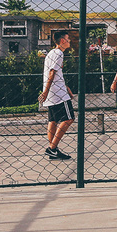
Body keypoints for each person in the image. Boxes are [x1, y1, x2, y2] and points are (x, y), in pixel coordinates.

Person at [39, 31, 74, 160]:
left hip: (54, 91)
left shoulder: (51, 53)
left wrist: (65, 87)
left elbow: (56, 74)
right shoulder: (59, 53)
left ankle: (53, 150)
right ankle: (52, 148)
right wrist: (46, 91)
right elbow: (52, 73)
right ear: (62, 41)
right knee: (69, 118)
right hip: (58, 94)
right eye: (68, 39)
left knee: (53, 120)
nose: (69, 41)